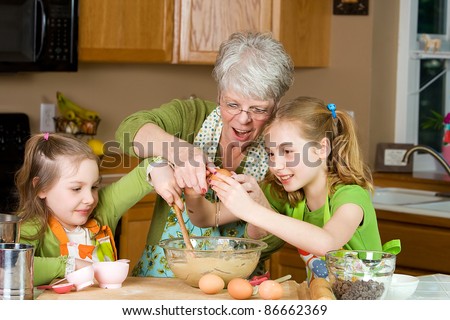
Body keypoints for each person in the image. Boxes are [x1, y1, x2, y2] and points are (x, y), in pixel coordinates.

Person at [115, 31, 295, 277]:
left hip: (236, 283)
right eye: (232, 105)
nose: (243, 119)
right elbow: (129, 130)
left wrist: (259, 218)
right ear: (219, 95)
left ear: (275, 107)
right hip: (162, 278)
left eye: (258, 109)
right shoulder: (192, 117)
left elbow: (276, 241)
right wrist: (179, 151)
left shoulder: (283, 153)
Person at [210, 96, 400, 283]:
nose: (275, 164)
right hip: (324, 300)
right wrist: (254, 199)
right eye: (270, 154)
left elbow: (327, 243)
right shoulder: (285, 191)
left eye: (287, 152)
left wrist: (252, 211)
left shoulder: (351, 196)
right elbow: (216, 222)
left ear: (321, 149)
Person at [15, 133, 153, 286]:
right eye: (76, 188)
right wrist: (70, 265)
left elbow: (144, 173)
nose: (90, 199)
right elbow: (14, 266)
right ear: (42, 188)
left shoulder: (103, 210)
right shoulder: (31, 226)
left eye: (94, 187)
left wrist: (157, 170)